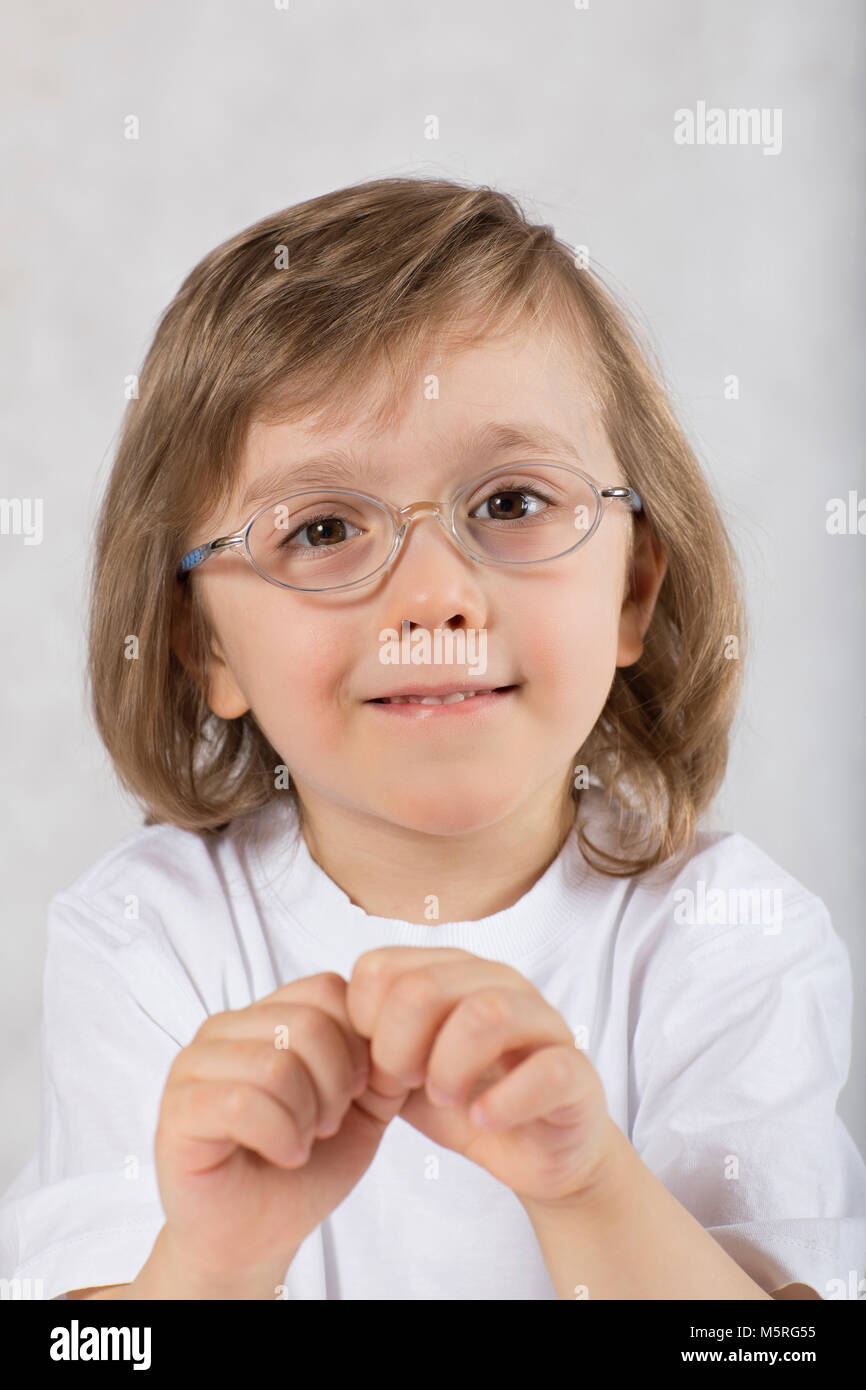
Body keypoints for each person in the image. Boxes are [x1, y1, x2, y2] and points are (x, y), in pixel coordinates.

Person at [2, 176, 864, 1301]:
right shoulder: (147, 935)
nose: (436, 598)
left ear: (631, 592)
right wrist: (212, 1262)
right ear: (200, 642)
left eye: (509, 502)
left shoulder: (729, 938)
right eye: (319, 527)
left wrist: (586, 1184)